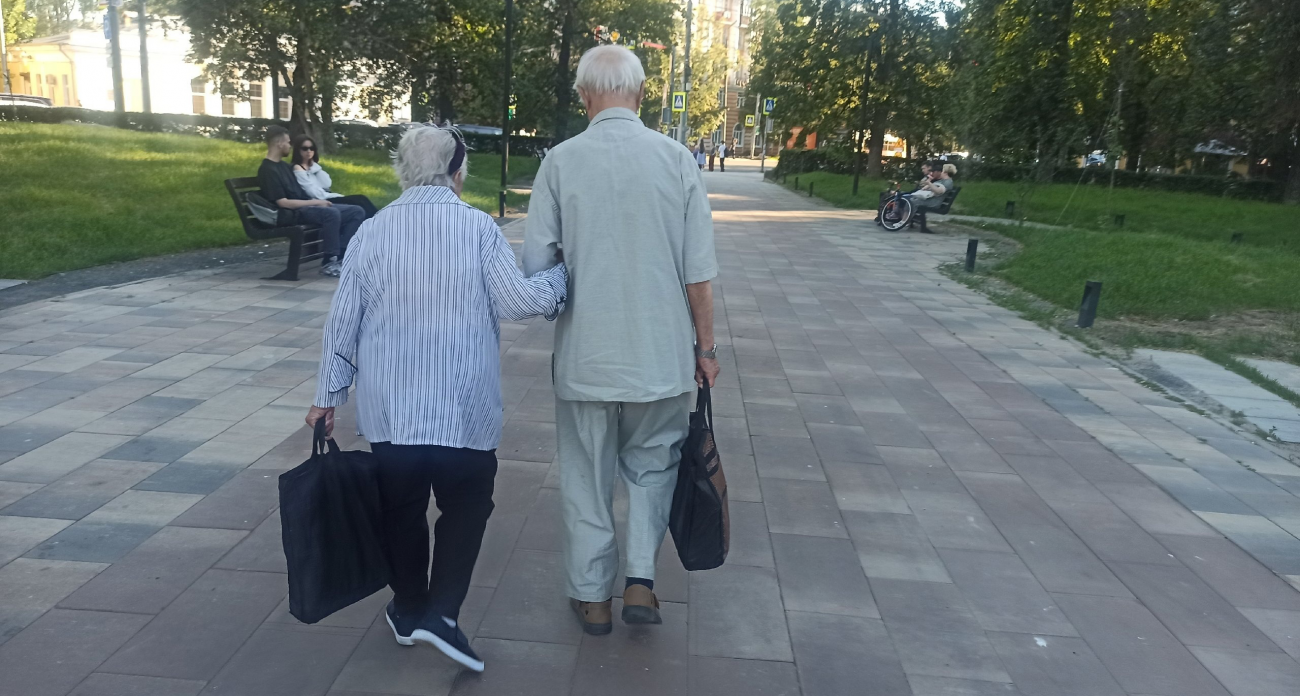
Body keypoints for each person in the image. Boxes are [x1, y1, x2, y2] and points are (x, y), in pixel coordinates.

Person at [305, 125, 568, 673]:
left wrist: (327, 396)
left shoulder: (372, 231)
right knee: (467, 505)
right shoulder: (477, 227)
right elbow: (517, 302)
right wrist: (561, 277)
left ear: (402, 170)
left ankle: (409, 609)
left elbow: (343, 321)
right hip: (463, 408)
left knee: (399, 508)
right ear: (458, 171)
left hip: (392, 411)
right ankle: (443, 613)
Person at [522, 45, 718, 636]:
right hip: (659, 356)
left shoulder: (559, 162)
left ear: (585, 95)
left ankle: (593, 598)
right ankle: (640, 582)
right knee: (654, 466)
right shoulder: (676, 159)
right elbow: (698, 273)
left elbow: (537, 265)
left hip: (586, 355)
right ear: (641, 93)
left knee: (587, 476)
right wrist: (706, 350)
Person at [257, 126, 367, 277]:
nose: (290, 146)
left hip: (305, 206)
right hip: (292, 213)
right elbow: (283, 203)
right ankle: (329, 262)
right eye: (287, 142)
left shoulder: (283, 166)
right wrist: (316, 203)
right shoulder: (268, 170)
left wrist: (317, 199)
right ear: (279, 143)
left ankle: (341, 256)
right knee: (331, 214)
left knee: (356, 211)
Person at [291, 134, 379, 218]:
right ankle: (379, 223)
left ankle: (379, 221)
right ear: (298, 150)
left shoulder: (313, 167)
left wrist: (314, 166)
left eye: (312, 148)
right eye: (305, 148)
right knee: (359, 200)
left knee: (362, 199)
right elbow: (312, 192)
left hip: (326, 196)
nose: (309, 151)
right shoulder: (298, 168)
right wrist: (333, 196)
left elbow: (326, 184)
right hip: (319, 201)